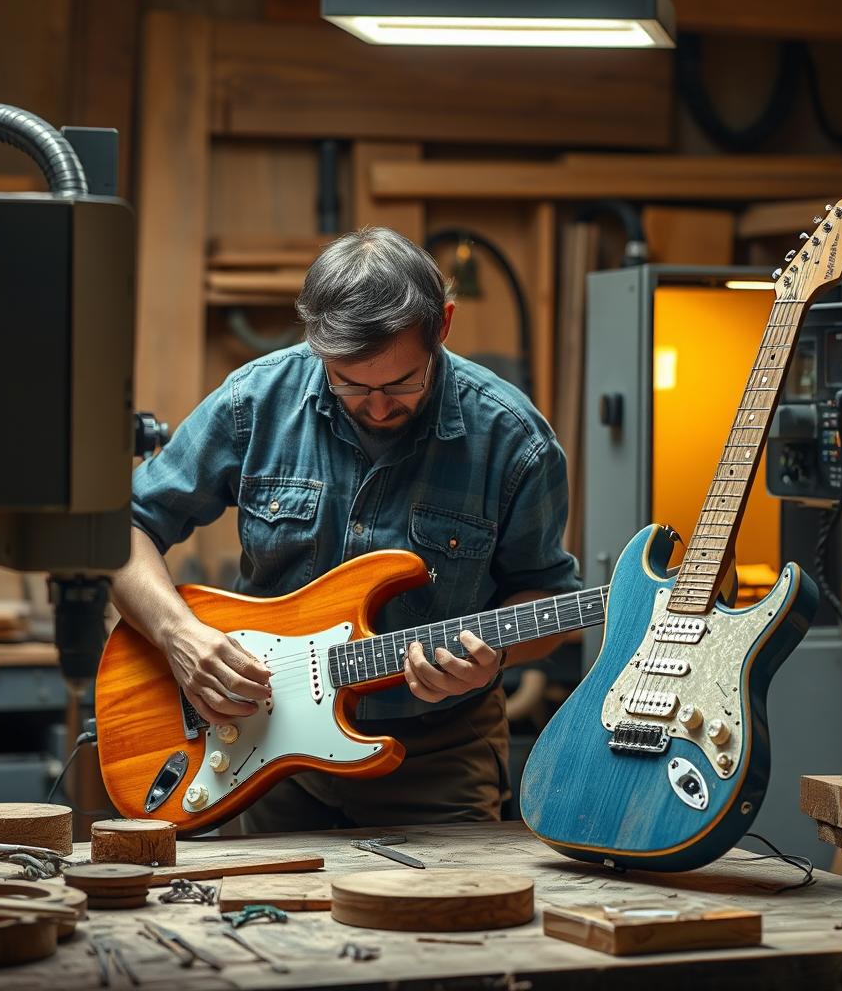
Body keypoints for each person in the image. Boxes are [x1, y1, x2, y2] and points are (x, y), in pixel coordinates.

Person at [111, 226, 580, 831]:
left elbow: (549, 599)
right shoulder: (255, 402)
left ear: (444, 326)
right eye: (352, 384)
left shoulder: (514, 442)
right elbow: (121, 529)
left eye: (402, 383)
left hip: (437, 757)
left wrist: (497, 657)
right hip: (260, 745)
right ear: (316, 345)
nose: (378, 407)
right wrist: (179, 636)